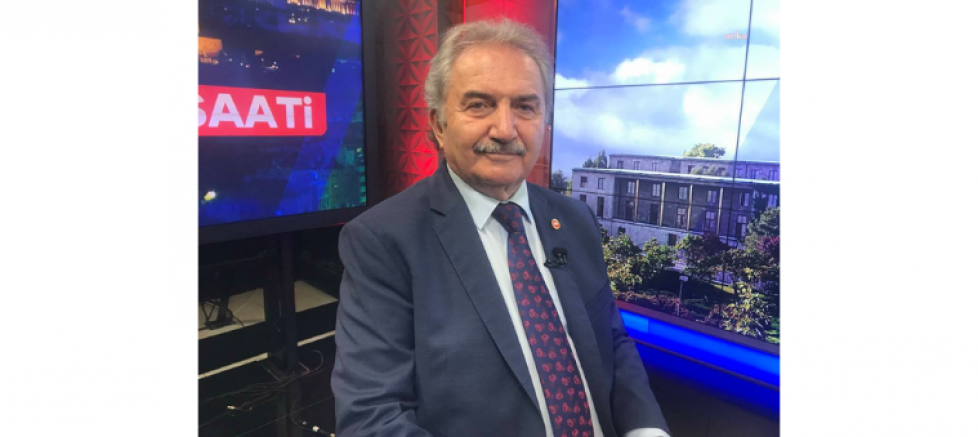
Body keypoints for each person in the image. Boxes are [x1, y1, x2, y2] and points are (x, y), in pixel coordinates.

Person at [331, 19, 670, 437]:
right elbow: (372, 418)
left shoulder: (576, 219)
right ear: (438, 124)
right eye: (479, 105)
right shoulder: (382, 241)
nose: (505, 130)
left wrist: (646, 430)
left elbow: (612, 343)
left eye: (525, 107)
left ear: (544, 121)